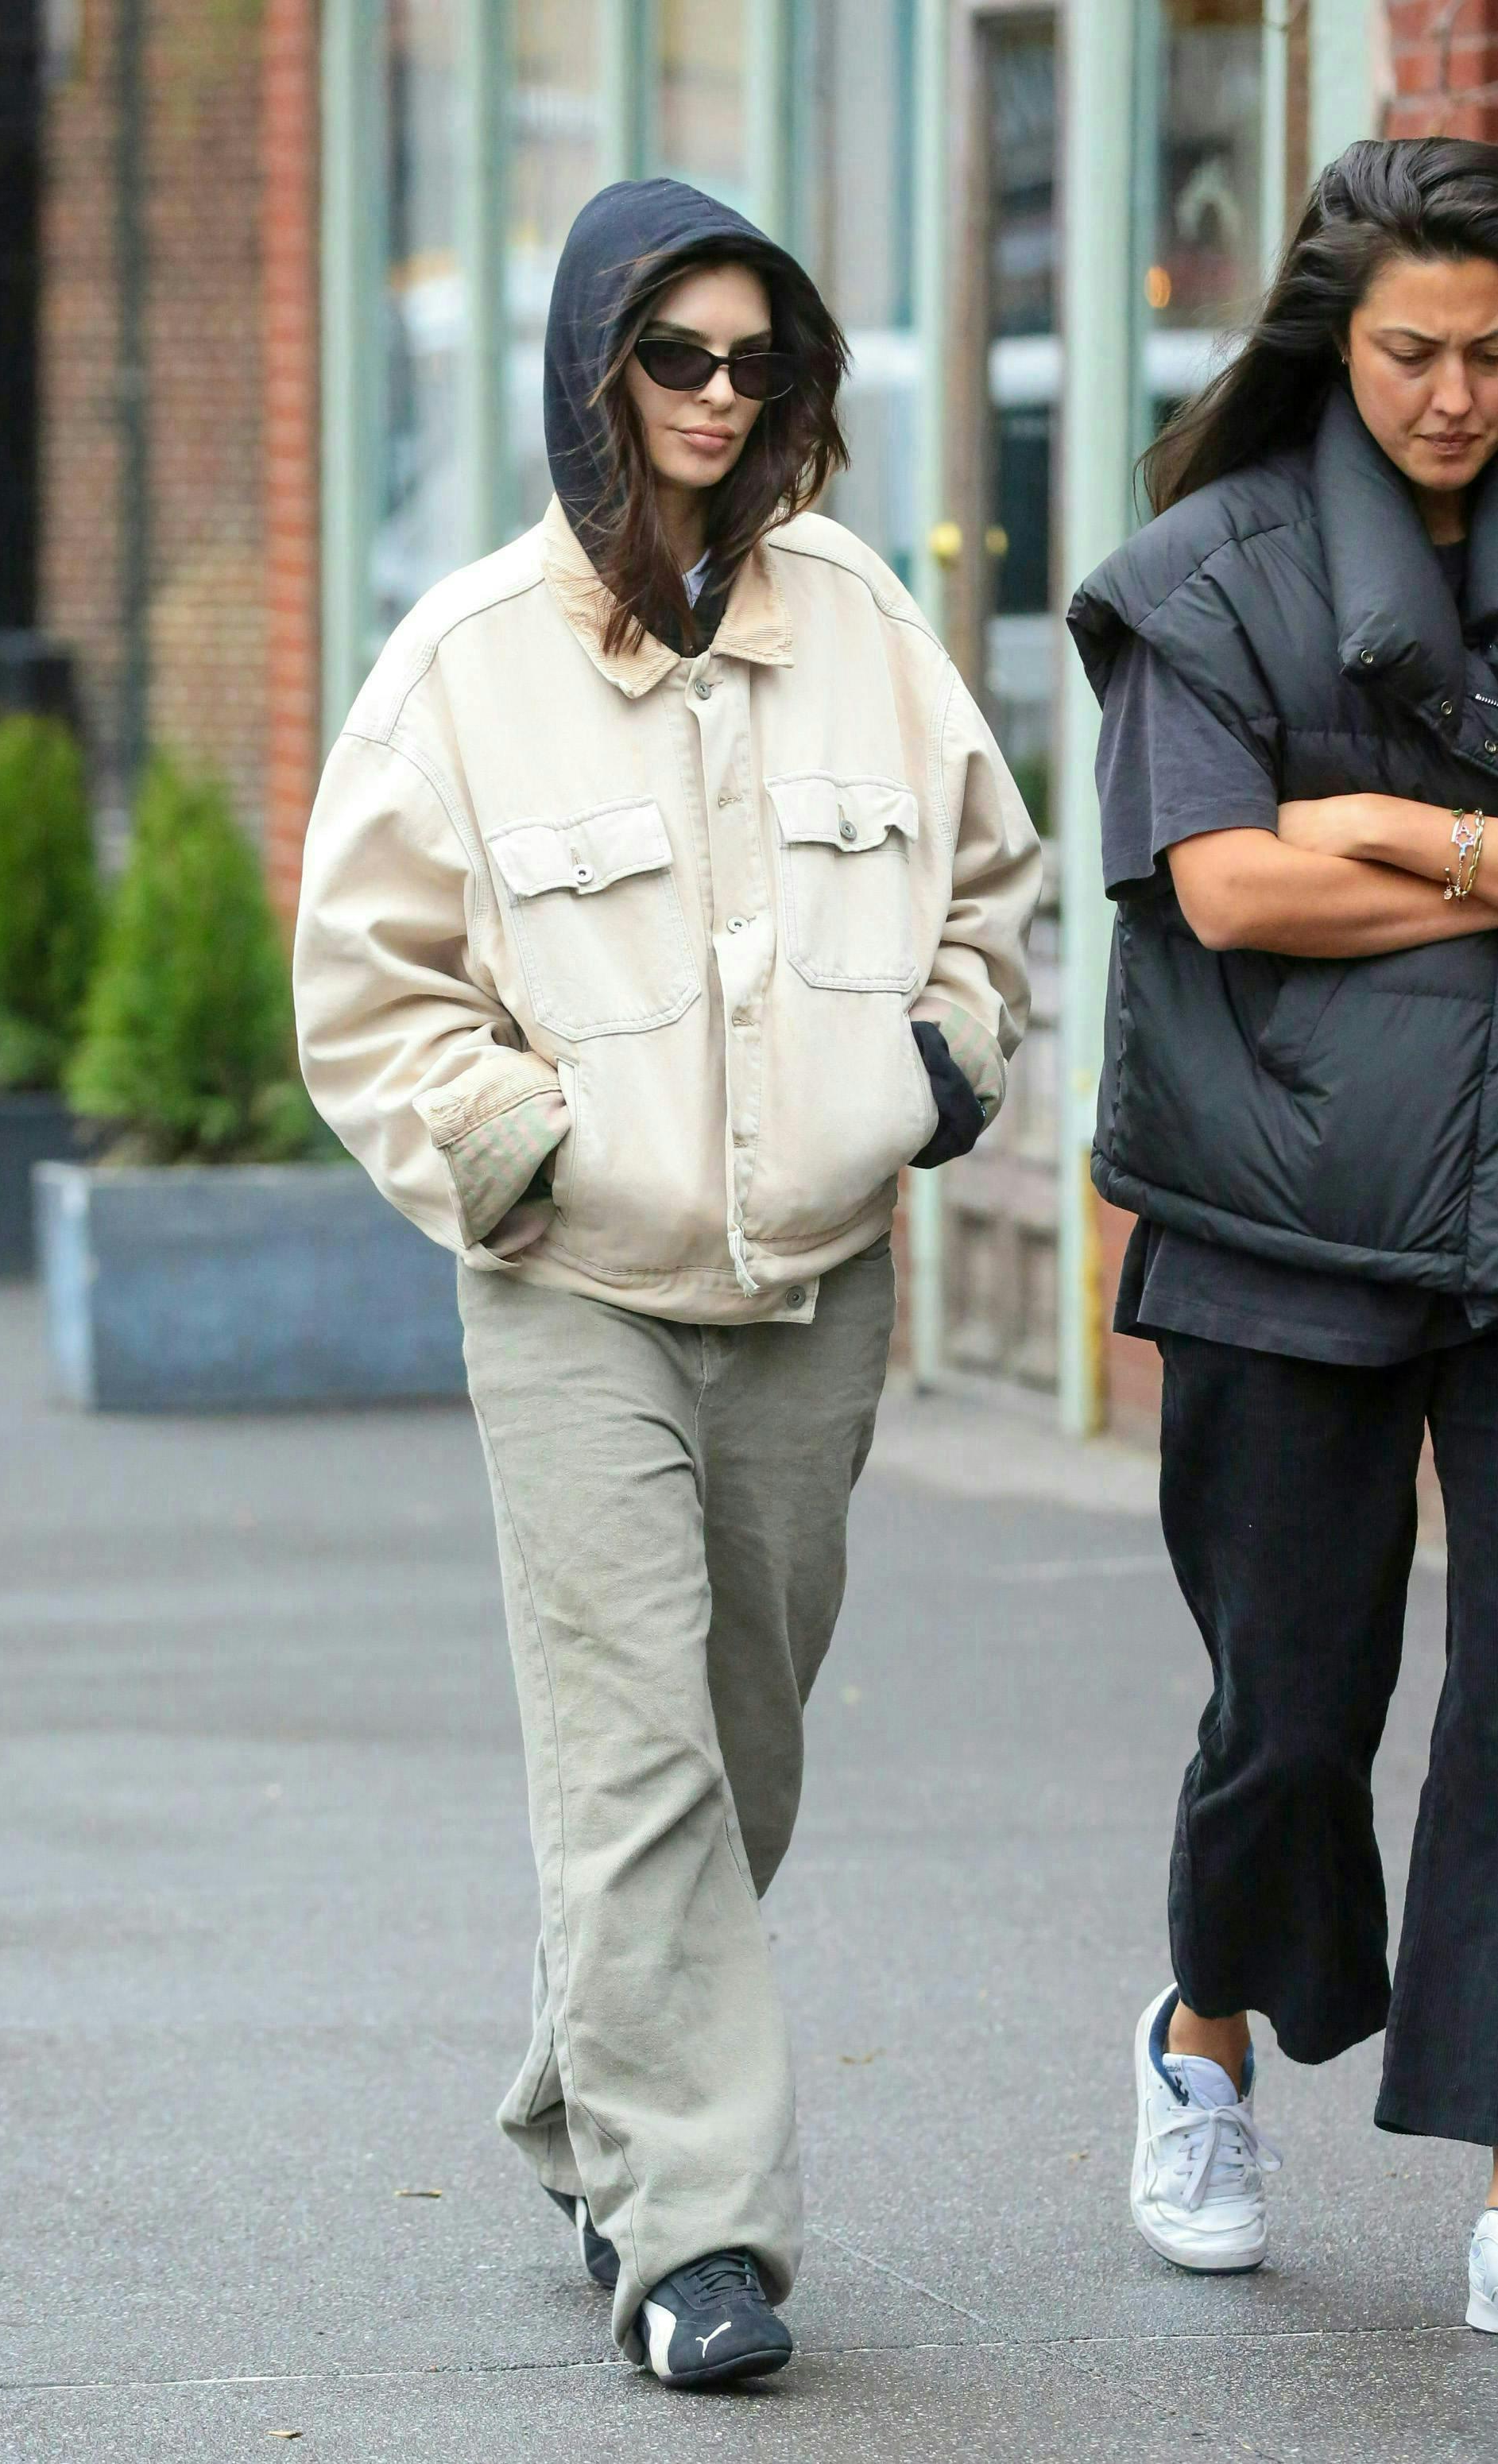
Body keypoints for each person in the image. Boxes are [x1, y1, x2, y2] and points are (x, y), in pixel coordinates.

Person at [293, 179, 1039, 2386]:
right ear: (591, 378)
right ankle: (700, 2237)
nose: (716, 402)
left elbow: (983, 894)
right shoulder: (466, 663)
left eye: (750, 362)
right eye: (672, 359)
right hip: (574, 1289)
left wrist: (942, 1062)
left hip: (816, 1279)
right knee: (630, 1757)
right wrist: (510, 1152)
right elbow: (369, 985)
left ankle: (579, 2094)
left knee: (742, 1738)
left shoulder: (863, 627)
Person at [1069, 138, 1498, 2328]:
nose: (1451, 393)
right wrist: (1484, 854)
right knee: (1289, 1697)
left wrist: (1384, 833)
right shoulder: (1205, 572)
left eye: (1493, 355)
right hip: (1276, 1214)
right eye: (1414, 349)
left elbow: (1302, 859)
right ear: (1337, 335)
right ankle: (1202, 2043)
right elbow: (1222, 885)